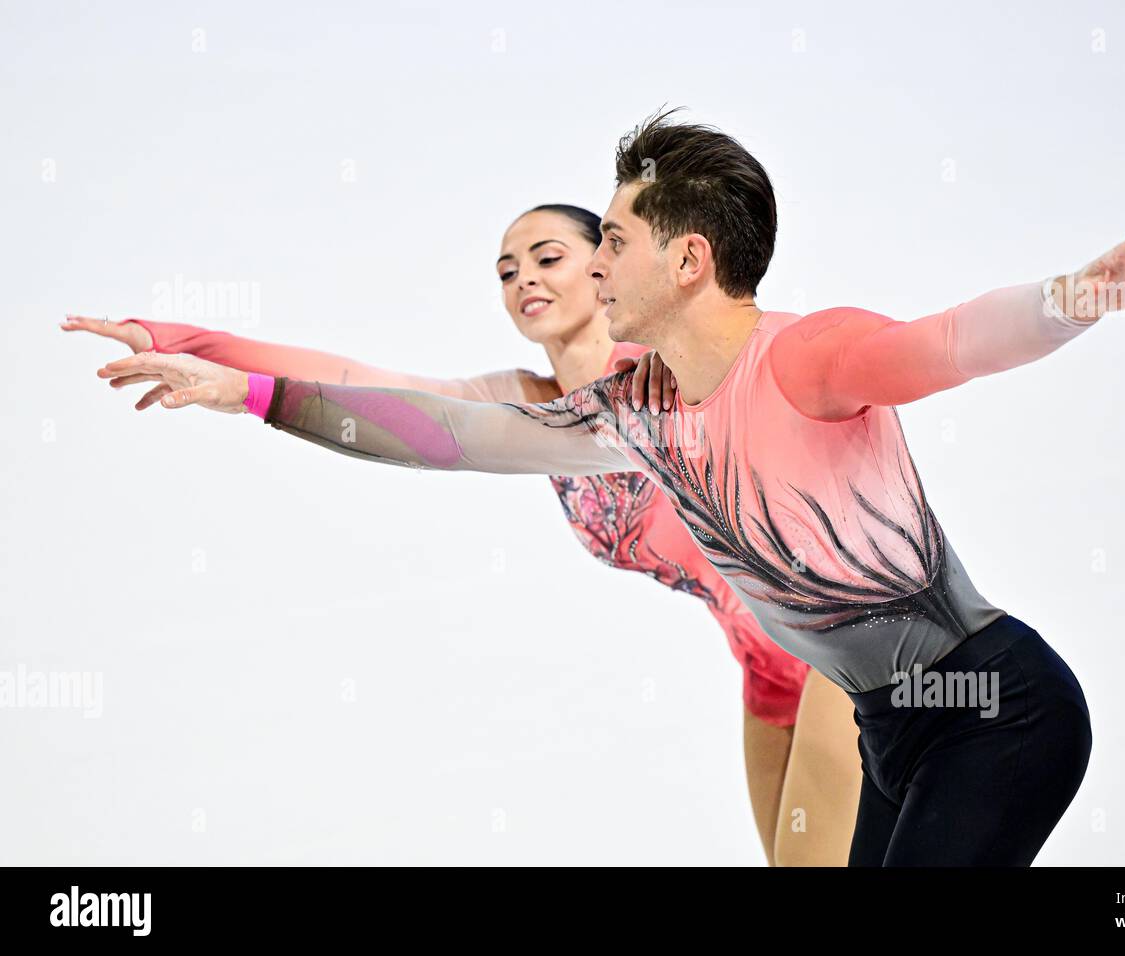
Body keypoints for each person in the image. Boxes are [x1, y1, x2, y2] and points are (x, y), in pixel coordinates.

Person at [89, 109, 1125, 865]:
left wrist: (1087, 293)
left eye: (607, 241)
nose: (586, 265)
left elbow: (950, 340)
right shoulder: (619, 417)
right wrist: (227, 381)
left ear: (683, 260)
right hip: (887, 721)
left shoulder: (805, 355)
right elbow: (425, 426)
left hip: (990, 704)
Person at [63, 202, 862, 867]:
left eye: (547, 257)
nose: (524, 280)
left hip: (832, 642)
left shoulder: (669, 369)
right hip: (763, 680)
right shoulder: (524, 400)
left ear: (605, 265)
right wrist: (188, 347)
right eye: (507, 272)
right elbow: (369, 387)